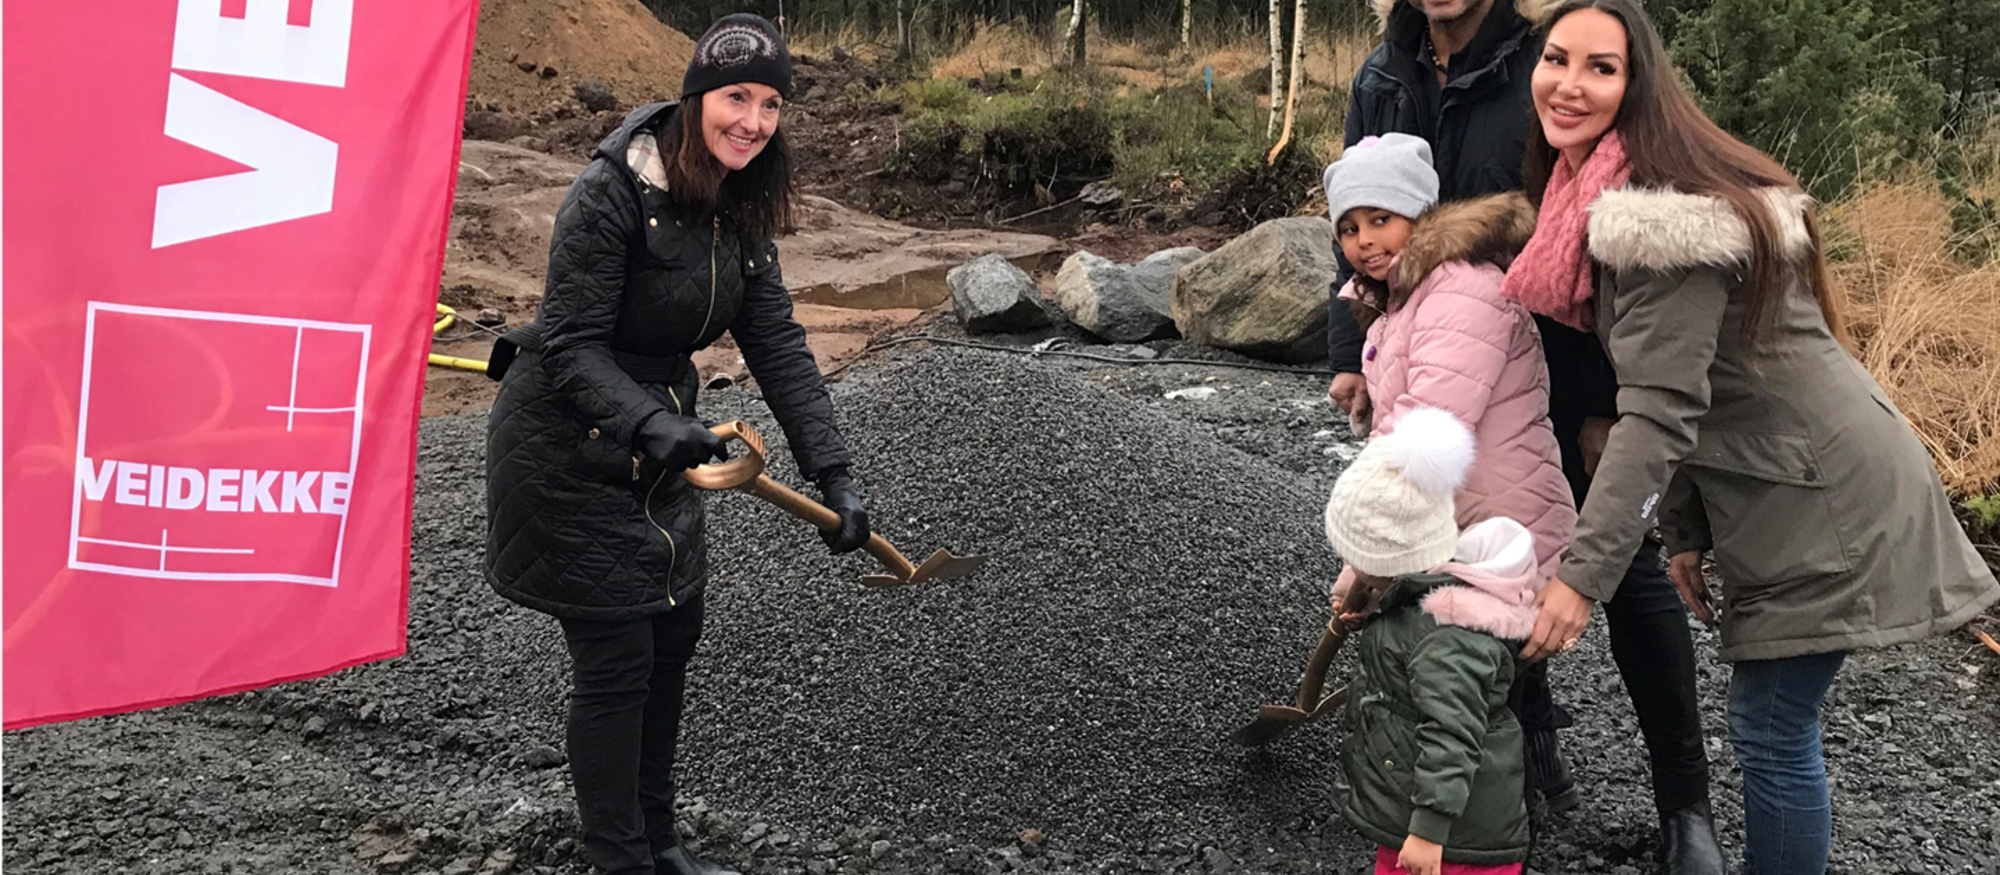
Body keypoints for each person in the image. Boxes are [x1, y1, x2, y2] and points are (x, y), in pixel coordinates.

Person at [1506, 2, 2000, 871]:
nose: (1568, 85)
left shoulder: (1663, 225)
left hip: (1827, 493)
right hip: (1791, 478)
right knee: (1775, 719)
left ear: (1639, 87)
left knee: (1770, 725)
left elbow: (1658, 411)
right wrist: (1688, 535)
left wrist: (1581, 577)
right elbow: (1699, 389)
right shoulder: (1599, 195)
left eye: (1601, 68)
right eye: (1556, 59)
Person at [1329, 3, 1719, 868]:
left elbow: (1588, 225)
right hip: (1438, 342)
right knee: (1475, 554)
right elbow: (1356, 216)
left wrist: (1612, 394)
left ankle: (1684, 800)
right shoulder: (1384, 71)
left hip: (1560, 346)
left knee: (1620, 564)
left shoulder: (1535, 66)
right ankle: (1523, 752)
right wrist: (1350, 350)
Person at [481, 15, 870, 875]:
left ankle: (658, 843)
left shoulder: (740, 201)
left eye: (771, 104)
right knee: (619, 657)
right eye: (737, 97)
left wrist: (833, 472)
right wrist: (651, 422)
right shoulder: (610, 190)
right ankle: (617, 857)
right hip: (566, 442)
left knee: (671, 638)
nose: (754, 121)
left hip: (660, 440)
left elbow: (776, 342)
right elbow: (573, 344)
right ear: (696, 98)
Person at [1319, 132, 1574, 596]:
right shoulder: (1397, 302)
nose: (1365, 240)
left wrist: (1367, 567)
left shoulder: (1461, 289)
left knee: (1462, 664)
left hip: (1502, 531)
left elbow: (1424, 427)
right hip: (1455, 522)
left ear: (1419, 215)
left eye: (1380, 218)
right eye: (1350, 228)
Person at [1325, 409, 1539, 875]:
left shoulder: (1448, 638)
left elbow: (1454, 734)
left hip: (1454, 841)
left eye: (1354, 557)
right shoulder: (1415, 596)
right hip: (1410, 810)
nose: (1349, 567)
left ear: (1387, 560)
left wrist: (1428, 830)